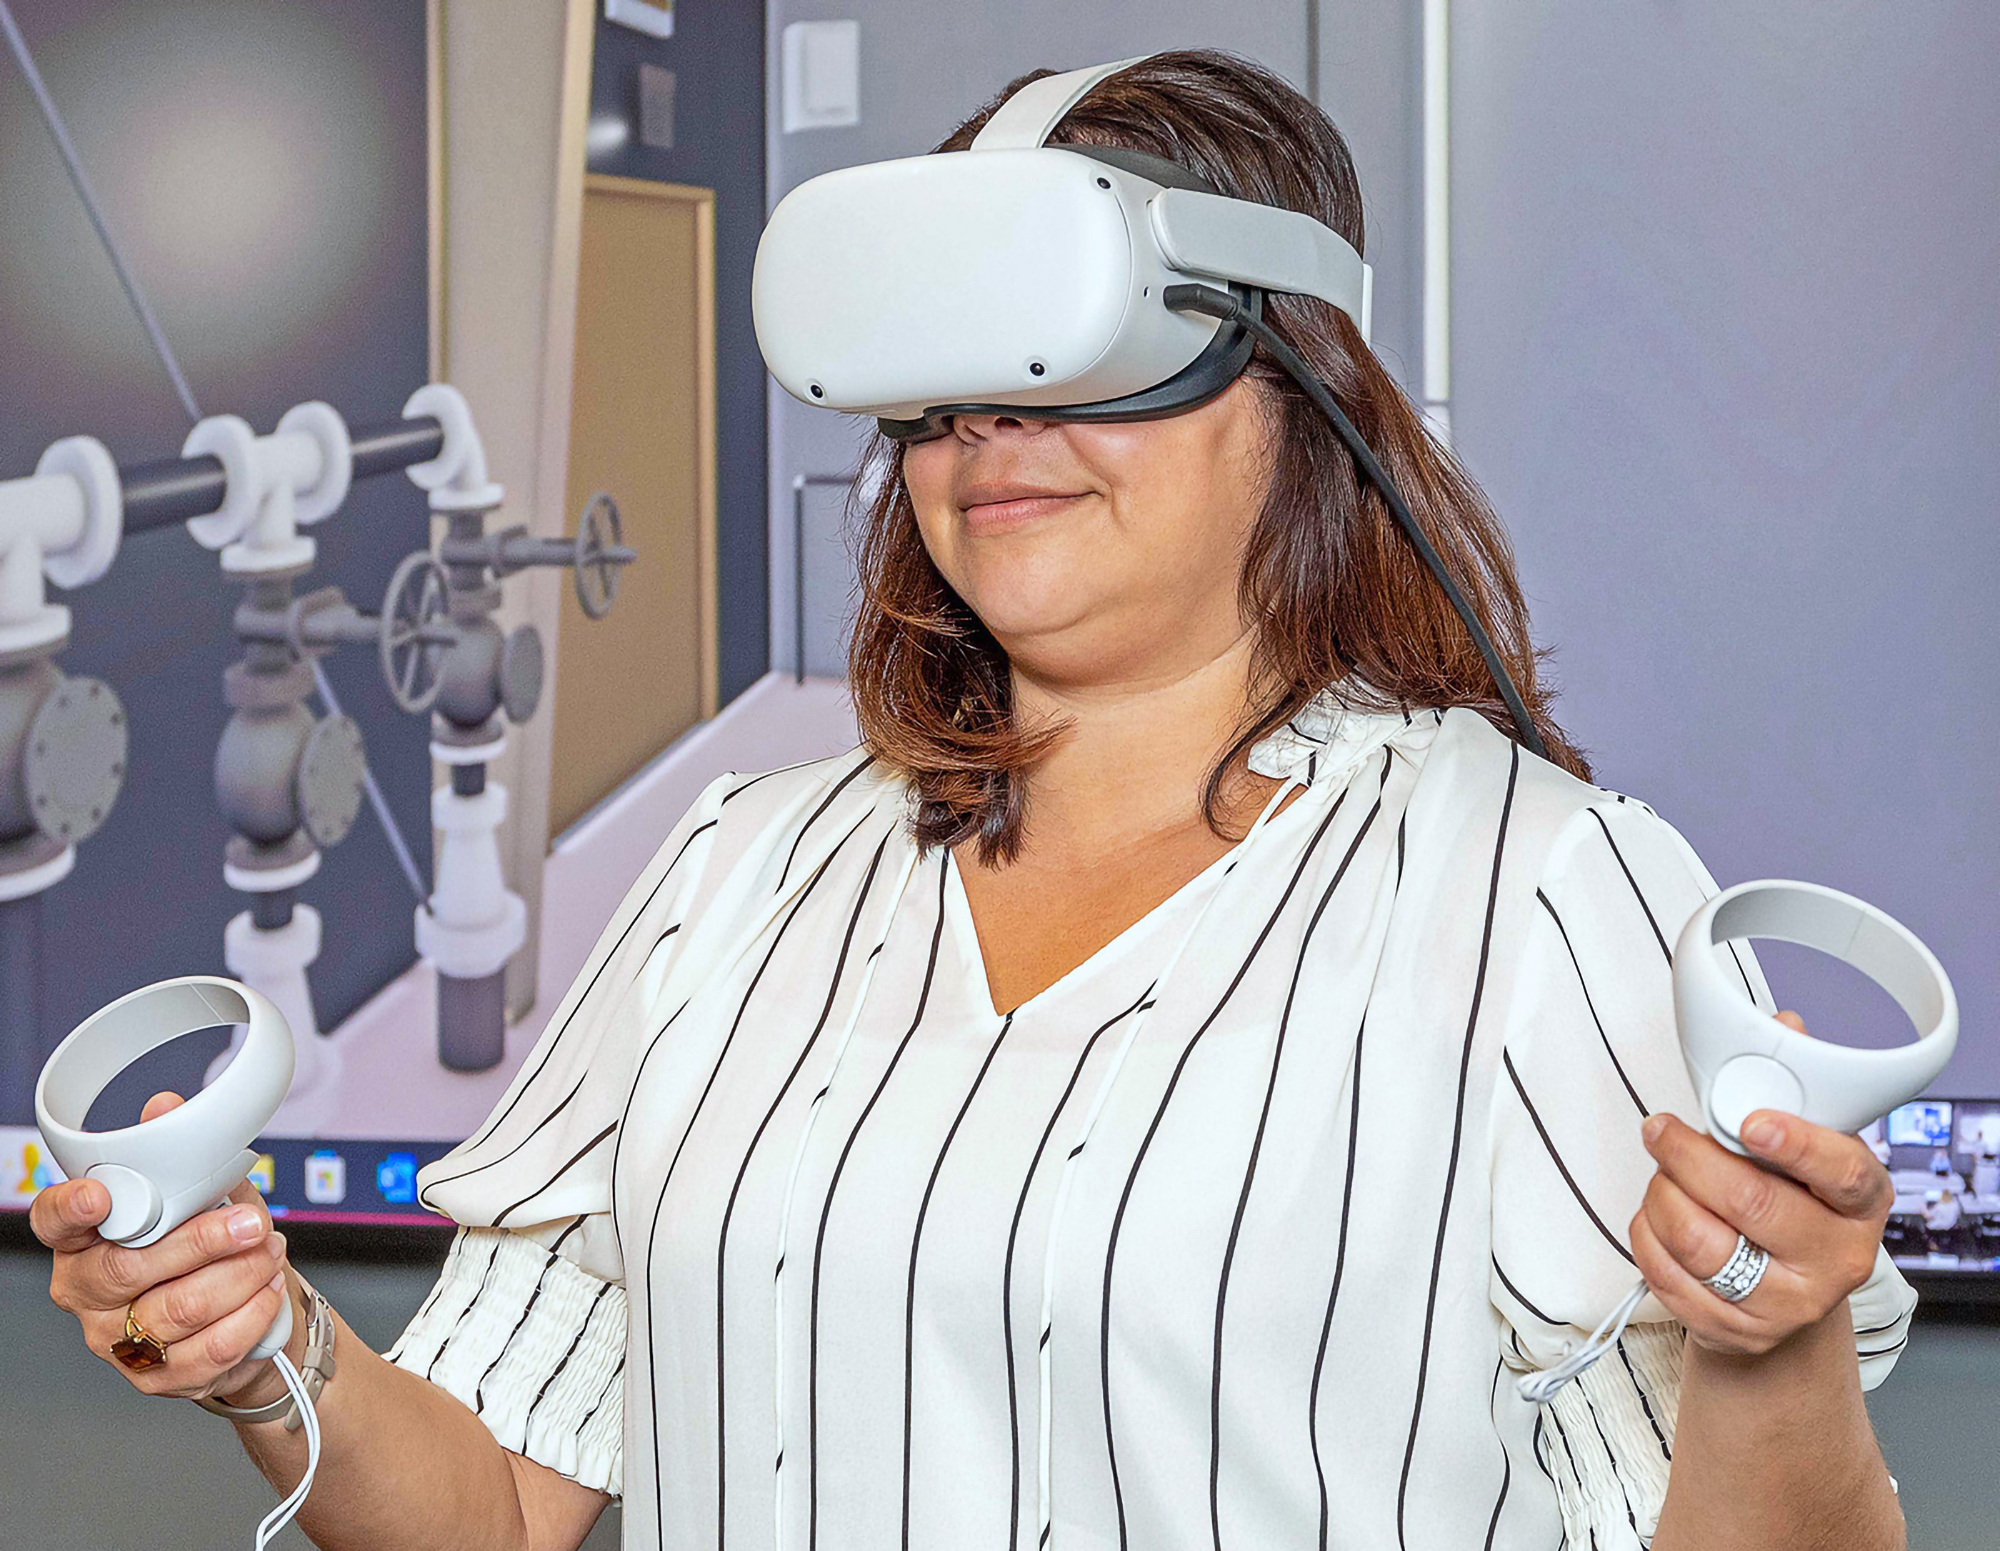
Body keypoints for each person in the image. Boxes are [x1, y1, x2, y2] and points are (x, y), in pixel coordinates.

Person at [32, 49, 1914, 1551]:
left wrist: (1770, 1357)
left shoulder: (1526, 889)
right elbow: (504, 1511)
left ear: (1294, 376)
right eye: (936, 378)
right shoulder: (734, 880)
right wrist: (268, 1352)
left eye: (1069, 352)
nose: (990, 427)